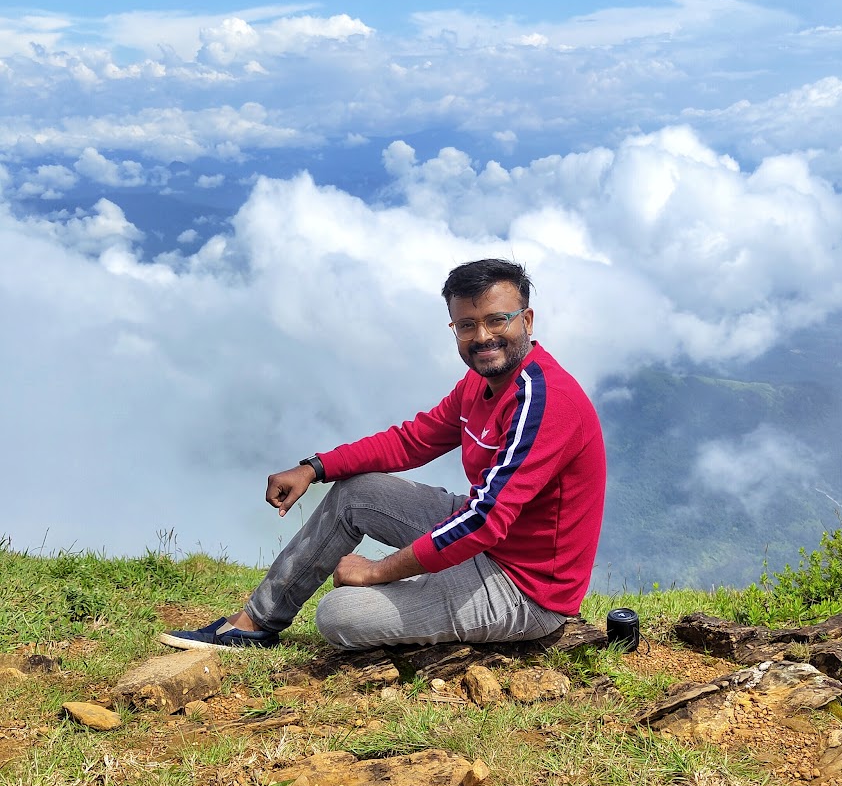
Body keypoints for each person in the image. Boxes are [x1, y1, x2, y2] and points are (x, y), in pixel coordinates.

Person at [161, 258, 606, 653]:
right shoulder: (482, 383)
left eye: (497, 320)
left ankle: (424, 591)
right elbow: (412, 441)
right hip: (489, 547)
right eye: (466, 325)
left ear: (526, 320)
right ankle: (255, 624)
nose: (482, 336)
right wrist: (314, 468)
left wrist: (378, 572)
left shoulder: (543, 400)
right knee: (358, 491)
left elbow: (485, 520)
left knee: (341, 614)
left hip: (525, 589)